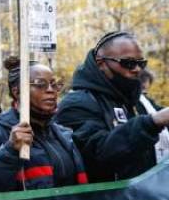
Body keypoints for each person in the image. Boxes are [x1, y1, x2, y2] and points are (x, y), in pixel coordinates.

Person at [56, 31, 169, 182]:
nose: (137, 69)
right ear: (101, 63)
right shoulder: (77, 103)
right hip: (107, 196)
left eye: (141, 63)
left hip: (149, 193)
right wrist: (151, 123)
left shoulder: (140, 101)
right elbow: (96, 153)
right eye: (128, 63)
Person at [0, 57, 87, 192]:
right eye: (40, 84)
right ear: (17, 92)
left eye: (54, 84)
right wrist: (10, 151)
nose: (51, 90)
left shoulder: (65, 135)